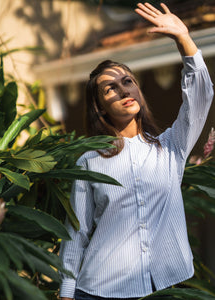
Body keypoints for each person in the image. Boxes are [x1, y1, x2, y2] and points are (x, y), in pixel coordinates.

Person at [59, 2, 214, 300]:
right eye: (109, 89)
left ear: (138, 90)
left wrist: (184, 38)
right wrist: (66, 292)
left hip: (165, 285)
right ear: (100, 108)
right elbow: (76, 231)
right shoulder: (89, 161)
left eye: (127, 82)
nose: (122, 90)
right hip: (98, 290)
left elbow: (200, 96)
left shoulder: (171, 147)